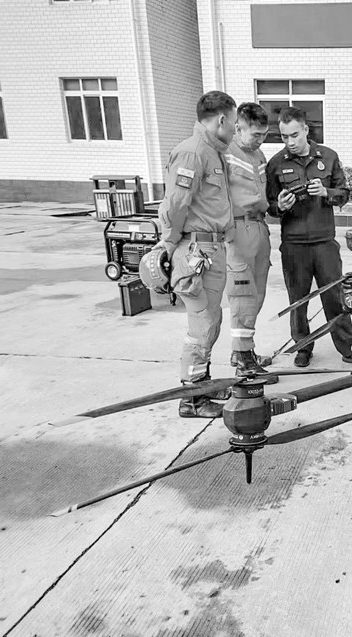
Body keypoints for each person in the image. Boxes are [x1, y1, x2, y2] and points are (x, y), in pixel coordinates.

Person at [155, 91, 237, 418]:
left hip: (211, 248)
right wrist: (167, 243)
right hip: (195, 251)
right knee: (202, 325)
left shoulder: (213, 152)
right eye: (233, 123)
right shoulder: (192, 153)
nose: (234, 129)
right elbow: (175, 205)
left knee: (212, 322)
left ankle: (202, 384)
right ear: (221, 120)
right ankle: (191, 399)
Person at [265, 107, 352, 368]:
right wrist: (280, 206)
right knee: (298, 301)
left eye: (294, 135)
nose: (290, 142)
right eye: (284, 137)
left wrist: (326, 192)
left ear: (305, 129)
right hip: (294, 244)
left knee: (334, 296)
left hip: (324, 241)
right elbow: (270, 205)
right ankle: (303, 347)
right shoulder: (276, 164)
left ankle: (347, 346)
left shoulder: (328, 157)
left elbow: (344, 193)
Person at [224, 102, 277, 384]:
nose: (261, 140)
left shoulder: (258, 154)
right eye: (256, 134)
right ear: (238, 128)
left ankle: (246, 350)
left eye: (264, 134)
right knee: (242, 294)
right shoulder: (224, 153)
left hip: (259, 226)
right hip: (237, 229)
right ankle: (243, 359)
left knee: (257, 294)